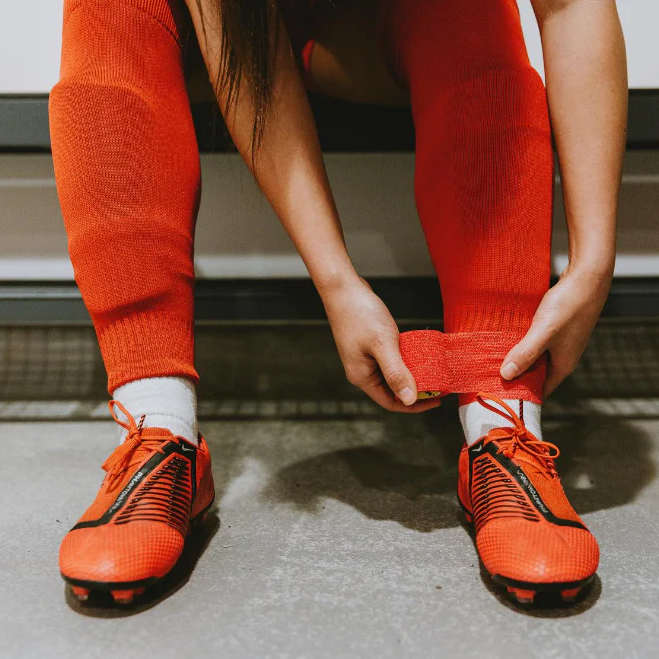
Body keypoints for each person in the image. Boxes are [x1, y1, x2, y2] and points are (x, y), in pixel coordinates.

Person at [49, 0, 627, 605]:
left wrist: (593, 266)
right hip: (212, 34)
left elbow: (574, 7)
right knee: (107, 7)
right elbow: (245, 48)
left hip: (369, 33)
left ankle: (503, 426)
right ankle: (157, 428)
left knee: (472, 11)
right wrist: (338, 282)